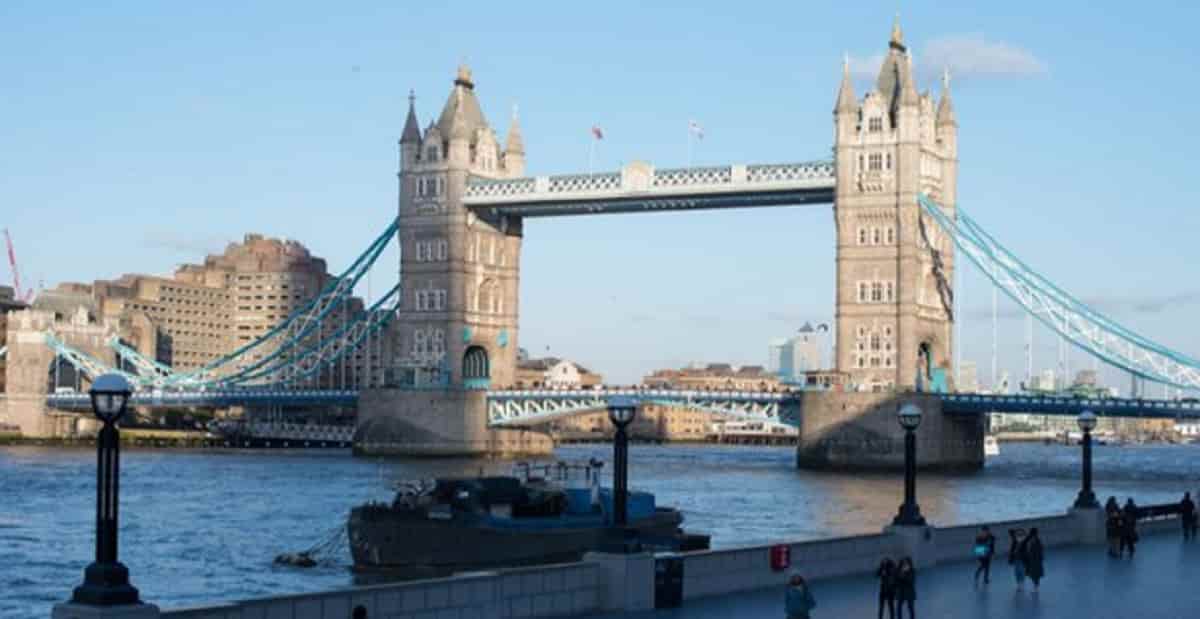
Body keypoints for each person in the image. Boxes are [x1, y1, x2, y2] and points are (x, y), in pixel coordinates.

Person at [1021, 528, 1045, 592]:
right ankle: (1035, 587)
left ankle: (1036, 587)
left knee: (1035, 574)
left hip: (1034, 560)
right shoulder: (1035, 540)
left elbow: (1036, 550)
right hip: (1034, 560)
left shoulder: (1035, 541)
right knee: (1034, 574)